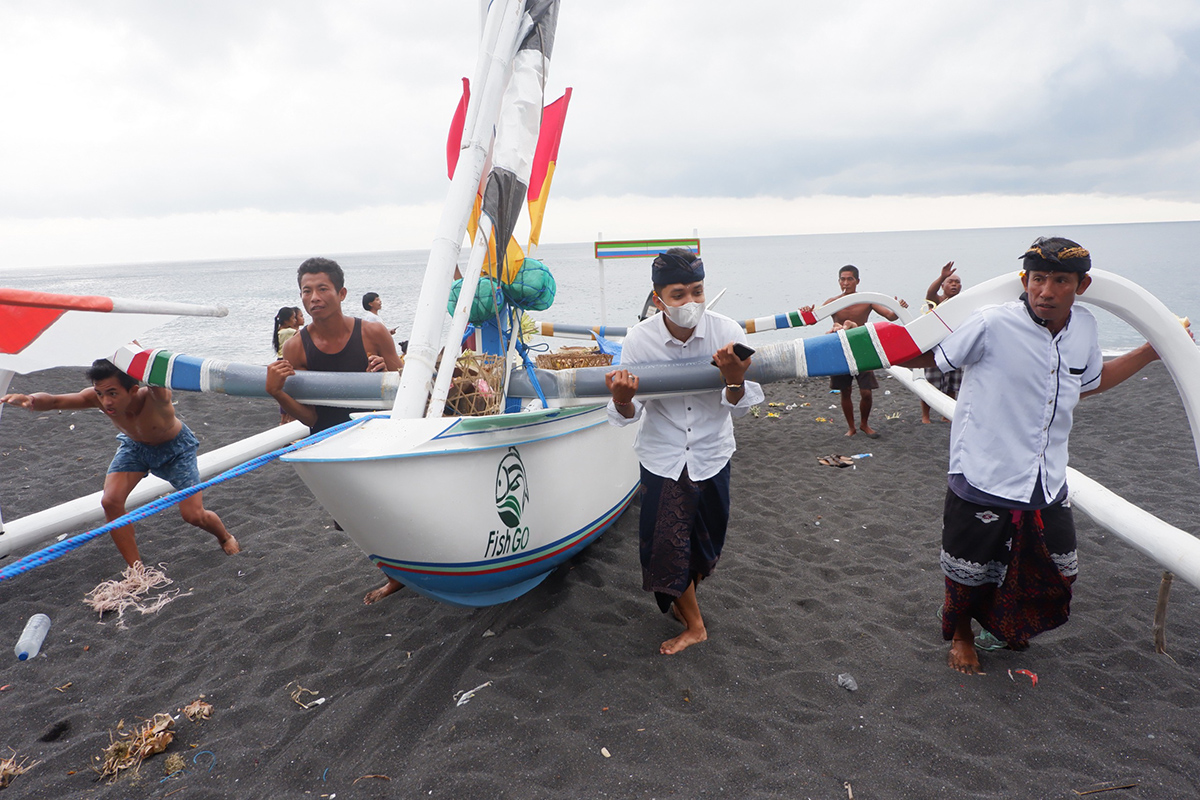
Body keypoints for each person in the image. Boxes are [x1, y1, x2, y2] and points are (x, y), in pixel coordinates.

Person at [899, 237, 1162, 675]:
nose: (1047, 290)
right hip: (984, 470)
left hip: (1046, 476)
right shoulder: (990, 323)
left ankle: (1003, 625)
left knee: (1059, 566)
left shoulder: (1086, 328)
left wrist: (1149, 351)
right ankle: (962, 636)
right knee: (969, 565)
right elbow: (932, 357)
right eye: (1038, 278)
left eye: (1061, 280)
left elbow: (1091, 382)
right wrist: (863, 349)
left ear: (1082, 285)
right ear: (1025, 280)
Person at [605, 249, 764, 655]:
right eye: (678, 295)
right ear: (658, 300)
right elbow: (627, 413)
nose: (690, 303)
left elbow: (746, 402)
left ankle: (683, 598)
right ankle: (695, 624)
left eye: (697, 292)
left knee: (704, 543)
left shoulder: (726, 330)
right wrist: (623, 399)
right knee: (666, 545)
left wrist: (733, 379)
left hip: (712, 455)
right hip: (664, 458)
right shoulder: (639, 339)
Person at [1, 360, 239, 567]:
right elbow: (55, 402)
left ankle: (225, 536)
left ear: (133, 389)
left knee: (194, 515)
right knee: (110, 501)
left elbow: (159, 371)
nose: (106, 401)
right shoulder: (97, 398)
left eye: (113, 393)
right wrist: (30, 400)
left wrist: (135, 352)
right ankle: (137, 570)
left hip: (176, 451)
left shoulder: (155, 397)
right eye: (100, 393)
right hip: (135, 448)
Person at [265, 257, 405, 605]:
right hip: (329, 438)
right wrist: (277, 392)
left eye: (322, 288)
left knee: (394, 506)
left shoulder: (372, 332)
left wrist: (386, 372)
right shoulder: (296, 347)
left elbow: (410, 385)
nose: (314, 297)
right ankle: (394, 576)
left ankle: (414, 567)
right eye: (306, 291)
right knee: (350, 518)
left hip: (377, 432)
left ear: (341, 293)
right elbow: (310, 417)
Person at [802, 265, 907, 438]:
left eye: (850, 279)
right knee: (846, 391)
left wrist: (898, 307)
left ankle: (864, 424)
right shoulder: (833, 302)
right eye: (842, 279)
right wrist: (806, 311)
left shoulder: (867, 300)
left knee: (866, 391)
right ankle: (851, 427)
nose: (846, 282)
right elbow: (813, 319)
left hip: (862, 348)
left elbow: (890, 316)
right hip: (839, 349)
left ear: (857, 281)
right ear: (838, 281)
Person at [920, 262, 963, 424]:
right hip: (935, 348)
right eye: (950, 282)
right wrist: (942, 276)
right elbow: (930, 292)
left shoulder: (963, 302)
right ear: (943, 286)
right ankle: (926, 416)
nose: (954, 284)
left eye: (957, 282)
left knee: (953, 383)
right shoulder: (937, 300)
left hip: (955, 348)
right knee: (931, 382)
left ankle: (946, 414)